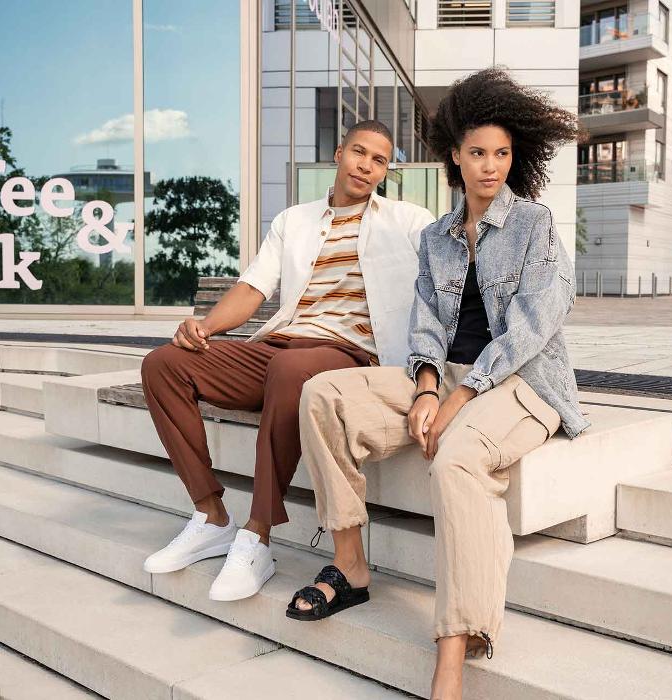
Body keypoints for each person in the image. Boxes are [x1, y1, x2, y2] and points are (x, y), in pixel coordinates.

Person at [289, 69, 588, 699]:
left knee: (455, 461)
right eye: (478, 153)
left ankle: (453, 650)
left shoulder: (535, 225)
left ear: (516, 157)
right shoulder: (436, 237)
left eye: (502, 153)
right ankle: (350, 564)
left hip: (523, 386)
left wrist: (461, 395)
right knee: (322, 395)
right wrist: (427, 385)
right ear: (454, 155)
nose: (490, 167)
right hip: (447, 379)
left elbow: (535, 325)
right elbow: (426, 320)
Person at [139, 120, 435, 602]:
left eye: (379, 160)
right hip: (279, 347)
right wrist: (206, 328)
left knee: (293, 370)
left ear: (386, 171)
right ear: (339, 153)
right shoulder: (293, 221)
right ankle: (211, 515)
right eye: (359, 152)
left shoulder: (408, 221)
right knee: (164, 364)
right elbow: (254, 287)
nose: (366, 165)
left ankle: (257, 535)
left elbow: (449, 274)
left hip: (348, 357)